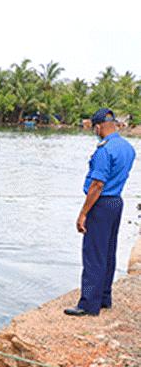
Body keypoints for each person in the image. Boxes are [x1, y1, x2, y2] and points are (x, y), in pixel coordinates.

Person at [65, 108, 136, 317]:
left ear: (98, 127)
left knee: (93, 254)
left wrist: (83, 213)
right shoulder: (127, 148)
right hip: (116, 202)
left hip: (101, 204)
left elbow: (97, 184)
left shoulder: (104, 150)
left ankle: (88, 304)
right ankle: (104, 297)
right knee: (107, 252)